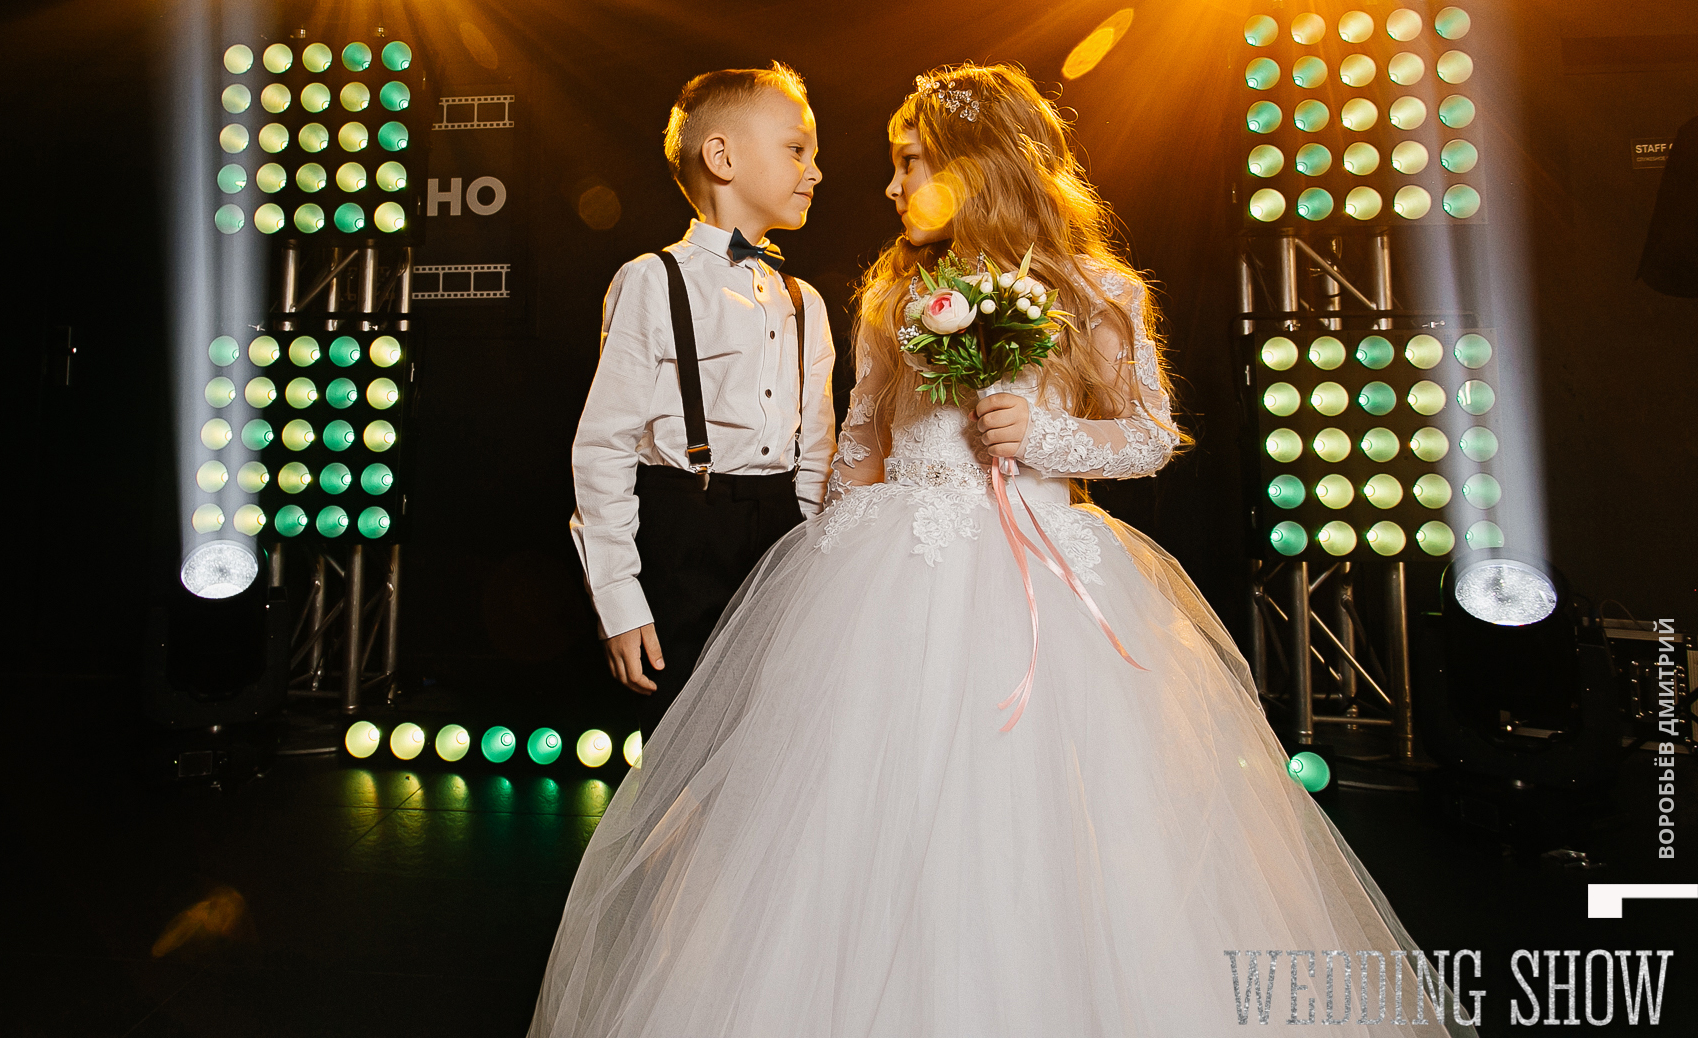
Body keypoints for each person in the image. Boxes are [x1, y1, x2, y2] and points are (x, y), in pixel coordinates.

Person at [533, 64, 1473, 1037]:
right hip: (898, 568)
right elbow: (859, 436)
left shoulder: (1097, 289)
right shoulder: (893, 291)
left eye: (909, 164)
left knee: (1043, 811)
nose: (888, 186)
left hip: (1042, 573)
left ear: (974, 168)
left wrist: (1045, 437)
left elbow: (1149, 434)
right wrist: (824, 559)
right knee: (860, 817)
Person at [570, 63, 838, 731]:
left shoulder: (804, 301)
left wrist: (811, 564)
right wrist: (617, 598)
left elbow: (817, 453)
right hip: (683, 529)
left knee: (769, 734)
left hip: (780, 534)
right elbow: (603, 447)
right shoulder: (651, 279)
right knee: (679, 735)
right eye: (797, 149)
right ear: (722, 157)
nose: (815, 171)